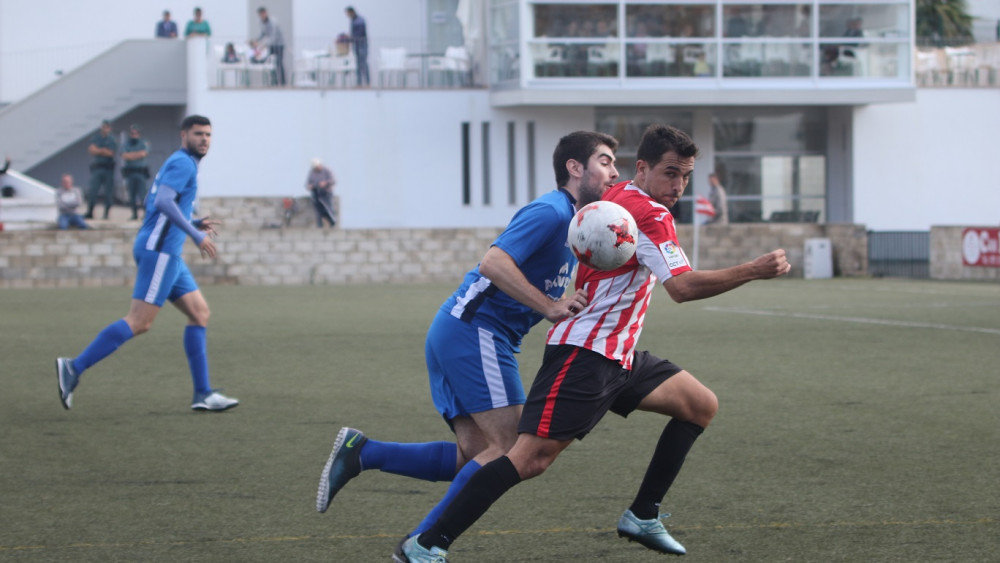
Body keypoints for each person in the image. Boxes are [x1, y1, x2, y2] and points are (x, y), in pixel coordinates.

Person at [399, 124, 791, 562]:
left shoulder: (615, 197)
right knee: (525, 459)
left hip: (617, 353)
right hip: (587, 355)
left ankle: (643, 514)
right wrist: (753, 269)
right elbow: (681, 288)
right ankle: (427, 543)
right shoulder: (649, 214)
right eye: (670, 173)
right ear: (642, 169)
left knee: (699, 405)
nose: (678, 185)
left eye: (685, 175)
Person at [315, 132, 620, 547]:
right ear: (574, 167)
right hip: (475, 332)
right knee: (510, 447)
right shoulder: (551, 212)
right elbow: (493, 263)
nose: (613, 171)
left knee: (474, 455)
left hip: (470, 334)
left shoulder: (578, 224)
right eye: (604, 161)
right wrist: (549, 306)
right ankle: (424, 543)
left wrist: (565, 301)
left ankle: (364, 453)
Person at [56, 115, 239, 413]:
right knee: (140, 322)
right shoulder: (183, 163)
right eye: (198, 134)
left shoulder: (181, 162)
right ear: (184, 135)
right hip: (160, 253)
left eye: (208, 134)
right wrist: (194, 233)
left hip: (169, 253)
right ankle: (74, 368)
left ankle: (203, 394)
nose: (204, 139)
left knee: (200, 313)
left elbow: (156, 201)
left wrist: (192, 221)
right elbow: (162, 203)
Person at [85, 120, 117, 220]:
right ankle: (90, 211)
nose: (105, 128)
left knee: (108, 192)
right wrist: (103, 150)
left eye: (107, 127)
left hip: (108, 169)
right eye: (104, 126)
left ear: (110, 128)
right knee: (93, 191)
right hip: (97, 168)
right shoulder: (96, 138)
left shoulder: (112, 139)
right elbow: (91, 150)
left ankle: (106, 213)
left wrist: (98, 150)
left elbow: (111, 153)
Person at [121, 124, 150, 220]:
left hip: (140, 173)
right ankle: (134, 214)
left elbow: (143, 154)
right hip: (130, 173)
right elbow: (124, 156)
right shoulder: (126, 144)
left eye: (136, 133)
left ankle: (146, 213)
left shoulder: (144, 143)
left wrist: (131, 155)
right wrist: (136, 155)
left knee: (142, 195)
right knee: (131, 195)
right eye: (132, 133)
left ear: (139, 134)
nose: (134, 135)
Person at [256, 7, 286, 85]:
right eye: (260, 14)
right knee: (270, 63)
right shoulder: (261, 22)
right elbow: (263, 34)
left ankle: (283, 83)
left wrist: (264, 45)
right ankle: (274, 82)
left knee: (279, 63)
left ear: (266, 13)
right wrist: (256, 40)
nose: (262, 15)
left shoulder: (273, 22)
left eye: (263, 13)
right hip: (271, 46)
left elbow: (273, 35)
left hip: (279, 45)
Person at [306, 158, 336, 228]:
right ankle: (320, 225)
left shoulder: (327, 171)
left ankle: (332, 223)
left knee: (328, 208)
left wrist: (325, 183)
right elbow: (308, 183)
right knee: (318, 211)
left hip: (326, 192)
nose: (316, 169)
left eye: (317, 167)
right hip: (316, 192)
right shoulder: (312, 172)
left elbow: (333, 180)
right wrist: (310, 186)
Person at [345, 6, 369, 86]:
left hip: (362, 45)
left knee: (363, 64)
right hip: (356, 46)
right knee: (358, 65)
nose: (347, 15)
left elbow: (360, 33)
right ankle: (359, 82)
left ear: (351, 12)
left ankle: (367, 82)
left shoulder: (360, 21)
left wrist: (350, 38)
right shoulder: (353, 21)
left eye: (348, 13)